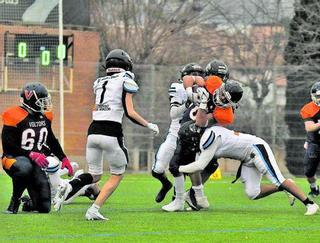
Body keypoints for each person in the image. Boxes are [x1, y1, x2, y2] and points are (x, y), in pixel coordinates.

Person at [53, 49, 159, 220]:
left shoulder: (99, 81)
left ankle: (70, 185)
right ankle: (93, 210)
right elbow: (129, 112)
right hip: (111, 131)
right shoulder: (126, 79)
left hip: (93, 131)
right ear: (125, 64)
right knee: (117, 174)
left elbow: (95, 109)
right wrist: (148, 124)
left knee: (95, 175)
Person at [176, 125, 319, 216]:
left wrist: (177, 169)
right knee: (253, 193)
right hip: (246, 158)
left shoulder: (210, 137)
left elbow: (199, 165)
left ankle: (310, 204)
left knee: (279, 178)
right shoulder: (207, 136)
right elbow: (199, 167)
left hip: (256, 148)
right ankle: (283, 187)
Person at [162, 79, 243, 212]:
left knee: (178, 166)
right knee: (179, 166)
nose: (221, 97)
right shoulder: (212, 83)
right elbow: (189, 78)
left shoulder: (225, 114)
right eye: (222, 92)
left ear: (232, 104)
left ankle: (185, 199)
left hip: (195, 136)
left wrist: (204, 103)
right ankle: (189, 198)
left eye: (225, 98)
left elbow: (200, 122)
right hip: (185, 129)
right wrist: (191, 91)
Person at [1, 82, 73, 214]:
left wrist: (63, 157)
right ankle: (14, 201)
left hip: (35, 162)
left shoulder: (45, 116)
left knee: (44, 207)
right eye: (42, 101)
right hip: (12, 159)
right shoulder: (14, 115)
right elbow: (8, 145)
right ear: (31, 100)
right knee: (24, 167)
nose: (45, 103)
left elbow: (51, 139)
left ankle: (27, 202)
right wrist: (31, 154)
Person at [151, 63, 205, 203]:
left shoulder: (204, 90)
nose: (196, 77)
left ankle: (177, 197)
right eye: (192, 74)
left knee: (181, 167)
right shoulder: (178, 87)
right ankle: (166, 184)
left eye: (199, 74)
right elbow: (173, 114)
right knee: (157, 169)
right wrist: (188, 101)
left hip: (191, 135)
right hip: (175, 133)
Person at [300, 81, 320, 197]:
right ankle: (314, 188)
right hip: (315, 143)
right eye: (318, 96)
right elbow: (309, 127)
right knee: (309, 171)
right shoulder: (308, 108)